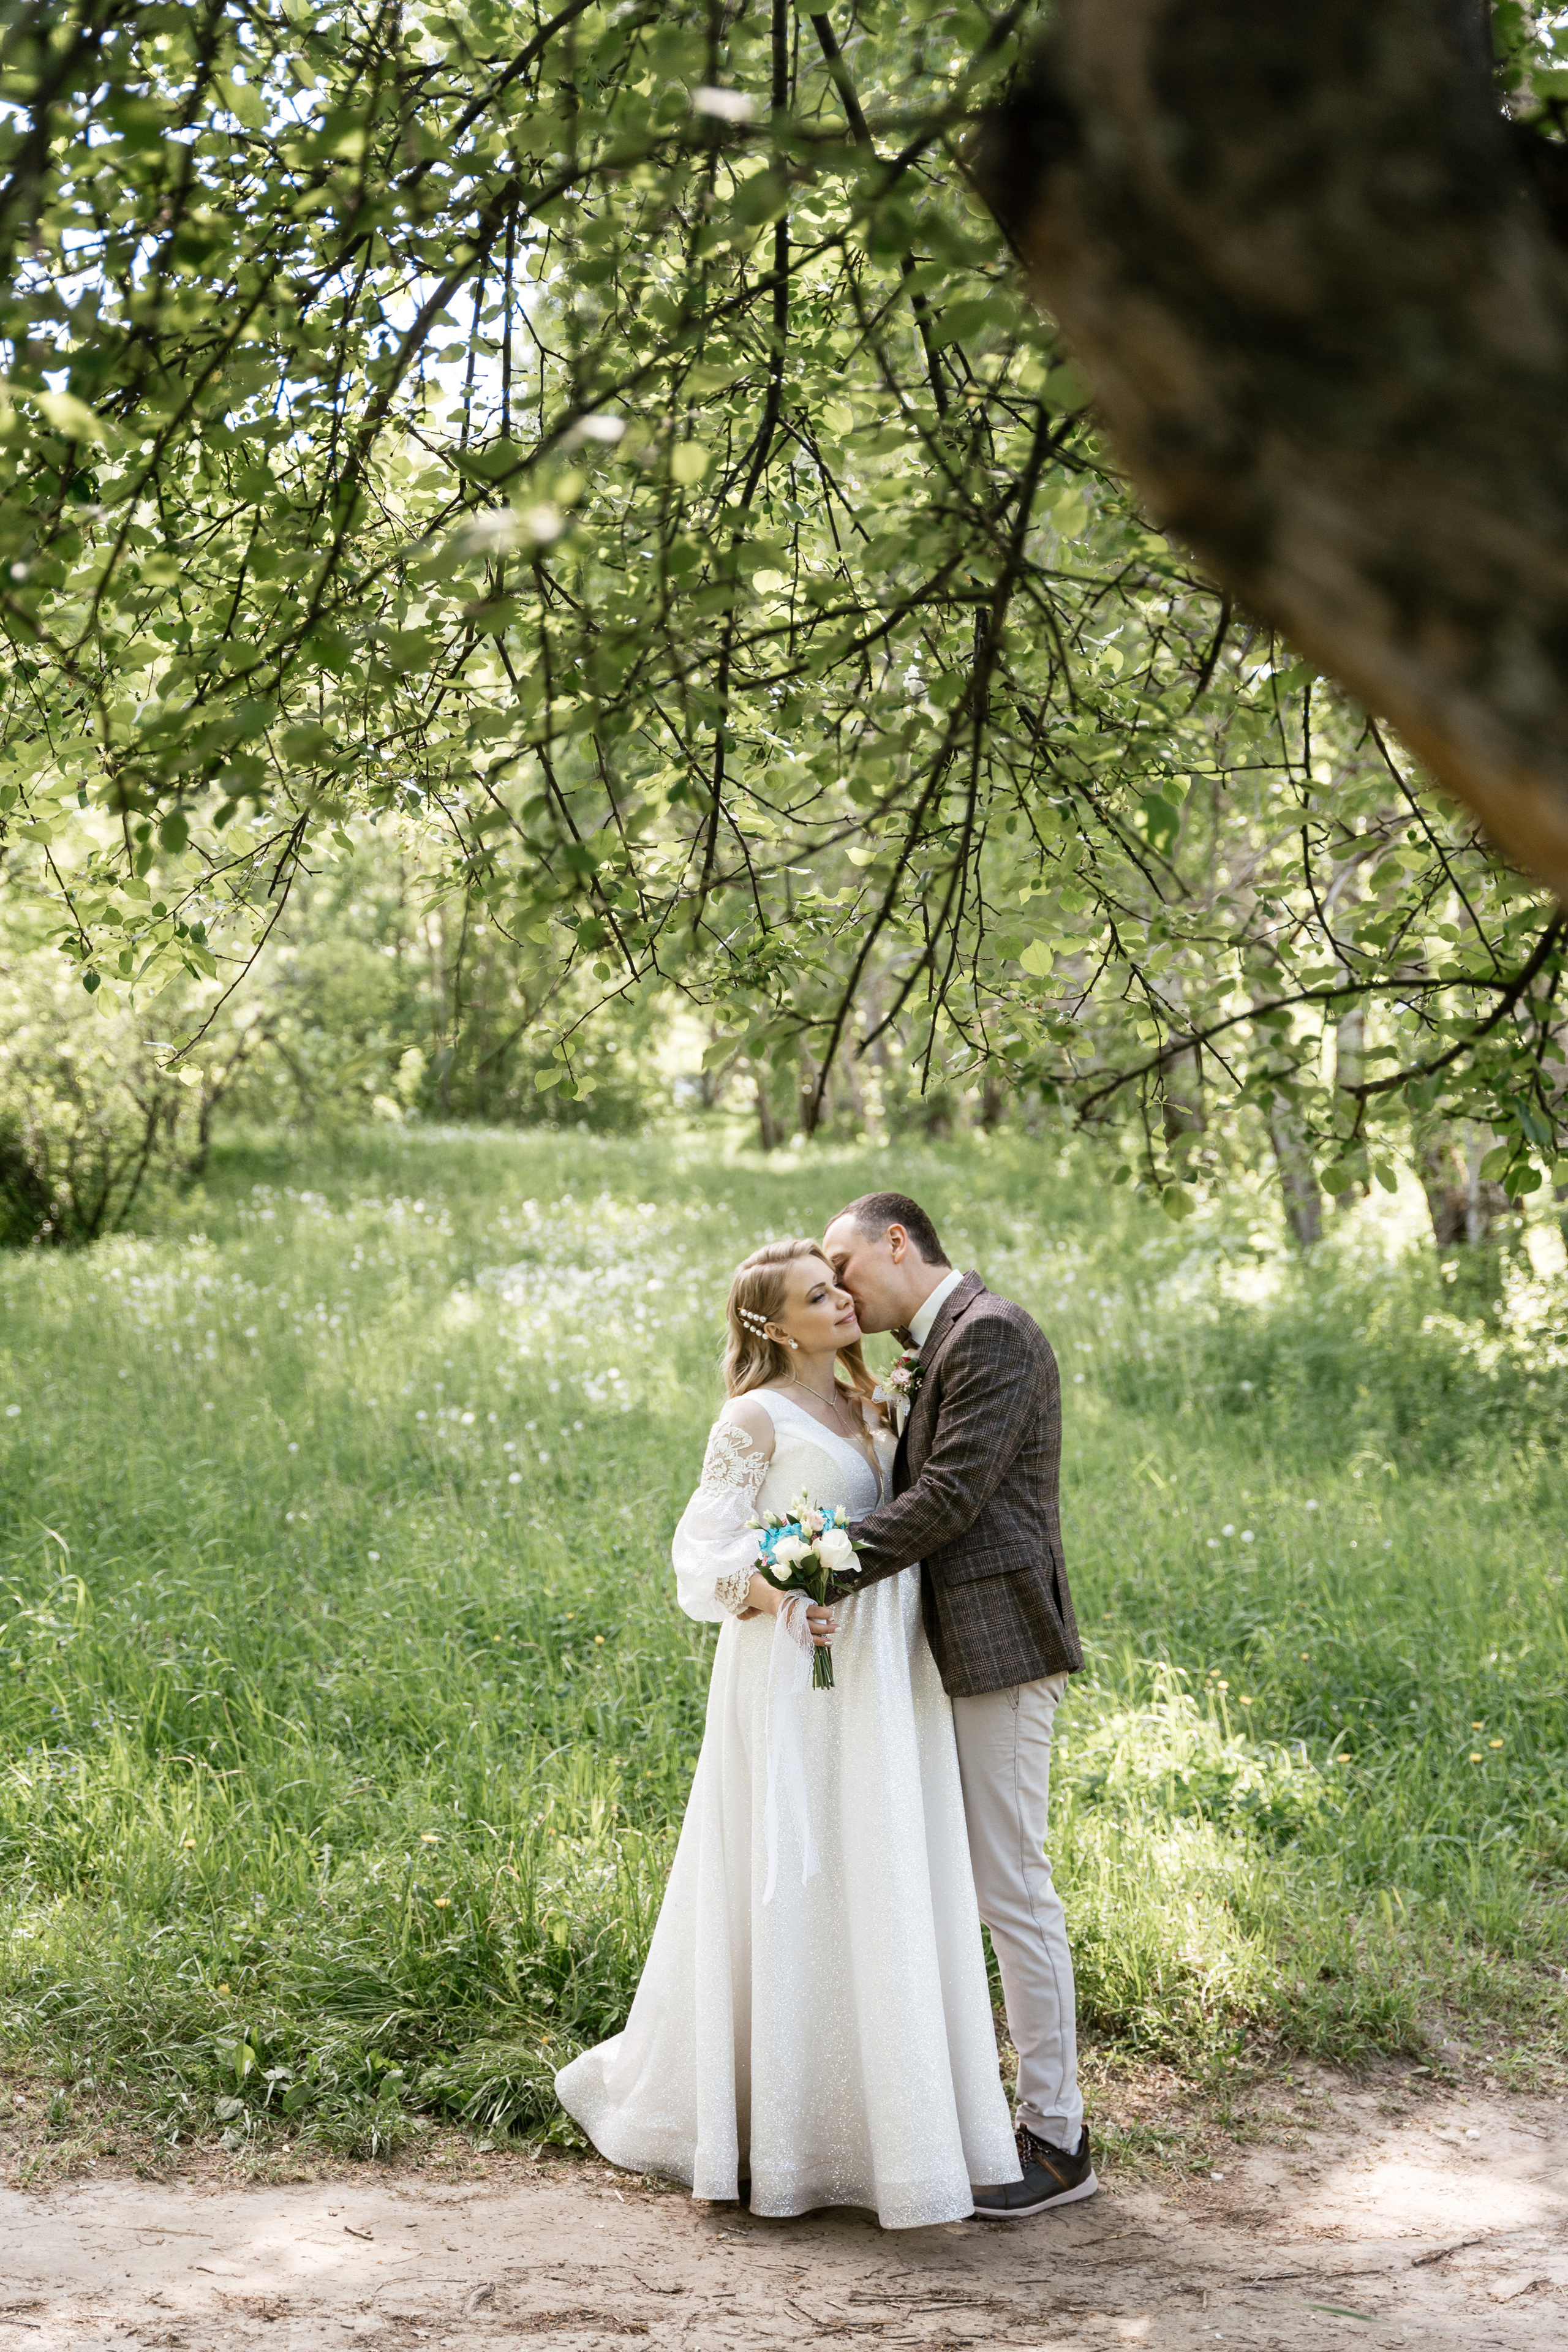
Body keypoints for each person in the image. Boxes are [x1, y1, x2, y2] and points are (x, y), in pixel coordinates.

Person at [554, 1238, 1020, 2228]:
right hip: (794, 1667)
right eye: (819, 1295)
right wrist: (774, 1591)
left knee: (878, 1867)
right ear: (774, 1325)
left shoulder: (875, 1403)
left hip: (885, 1667)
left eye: (838, 1285)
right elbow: (699, 1556)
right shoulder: (752, 1418)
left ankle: (890, 2126)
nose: (843, 1302)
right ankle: (773, 2130)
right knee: (795, 1871)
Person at [821, 1191, 1095, 2219]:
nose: (840, 1289)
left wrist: (818, 1569)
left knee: (1014, 1890)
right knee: (972, 1886)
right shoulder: (938, 1345)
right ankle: (986, 2114)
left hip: (1000, 1645)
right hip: (943, 1650)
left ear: (899, 1242)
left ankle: (1061, 2140)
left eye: (844, 1265)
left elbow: (948, 1500)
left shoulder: (993, 1338)